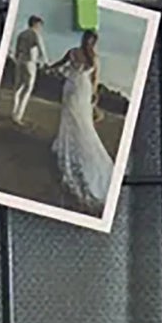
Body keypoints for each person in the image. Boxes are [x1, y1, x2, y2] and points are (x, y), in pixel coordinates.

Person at [47, 30, 113, 217]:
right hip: (83, 88)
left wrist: (50, 67)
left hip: (71, 86)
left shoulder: (73, 52)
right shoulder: (94, 58)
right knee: (81, 120)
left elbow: (60, 64)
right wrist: (94, 97)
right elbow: (95, 80)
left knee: (70, 117)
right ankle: (73, 143)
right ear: (94, 42)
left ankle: (67, 143)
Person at [10, 14, 46, 125]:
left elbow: (16, 50)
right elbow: (41, 49)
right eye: (39, 25)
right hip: (30, 62)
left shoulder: (21, 34)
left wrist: (17, 58)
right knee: (27, 89)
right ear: (35, 24)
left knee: (17, 88)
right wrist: (44, 61)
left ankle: (13, 112)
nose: (40, 27)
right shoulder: (35, 34)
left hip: (20, 61)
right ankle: (18, 116)